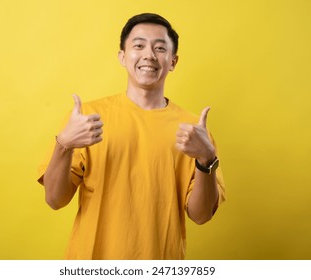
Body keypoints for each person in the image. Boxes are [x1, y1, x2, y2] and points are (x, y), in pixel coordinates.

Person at [37, 13, 225, 260]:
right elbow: (54, 199)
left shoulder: (193, 132)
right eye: (138, 45)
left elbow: (200, 215)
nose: (149, 55)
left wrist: (206, 160)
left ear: (173, 61)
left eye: (160, 48)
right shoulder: (88, 119)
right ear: (122, 57)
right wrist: (64, 145)